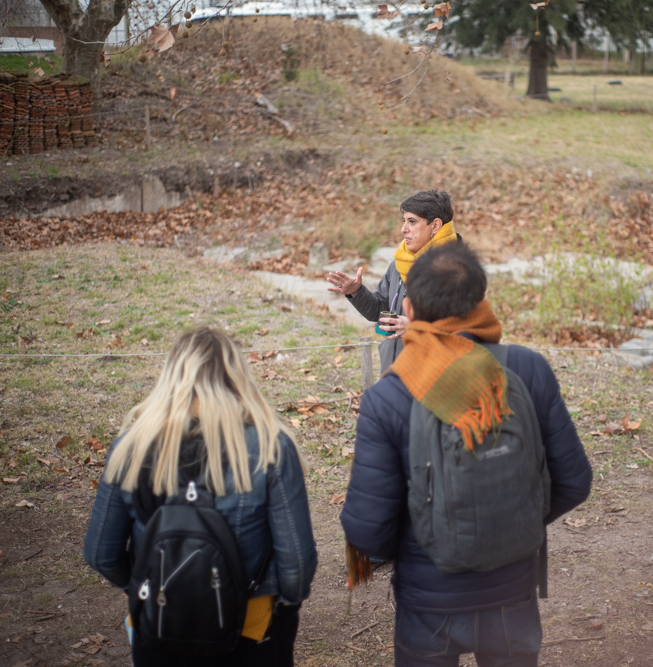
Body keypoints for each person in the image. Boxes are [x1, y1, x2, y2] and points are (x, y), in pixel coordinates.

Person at [340, 243, 592, 667]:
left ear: (409, 305)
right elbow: (573, 481)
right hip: (513, 589)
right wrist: (509, 515)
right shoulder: (528, 369)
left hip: (428, 599)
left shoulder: (389, 394)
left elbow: (368, 531)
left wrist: (435, 529)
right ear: (479, 300)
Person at [83, 327, 317, 667]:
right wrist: (285, 608)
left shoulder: (130, 446)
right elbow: (296, 564)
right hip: (248, 629)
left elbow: (101, 554)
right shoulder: (269, 447)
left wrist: (139, 584)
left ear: (171, 376)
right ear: (237, 378)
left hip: (158, 622)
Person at [326, 189, 460, 372]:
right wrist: (356, 292)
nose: (403, 229)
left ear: (435, 226)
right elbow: (379, 312)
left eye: (412, 221)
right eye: (404, 221)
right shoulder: (400, 263)